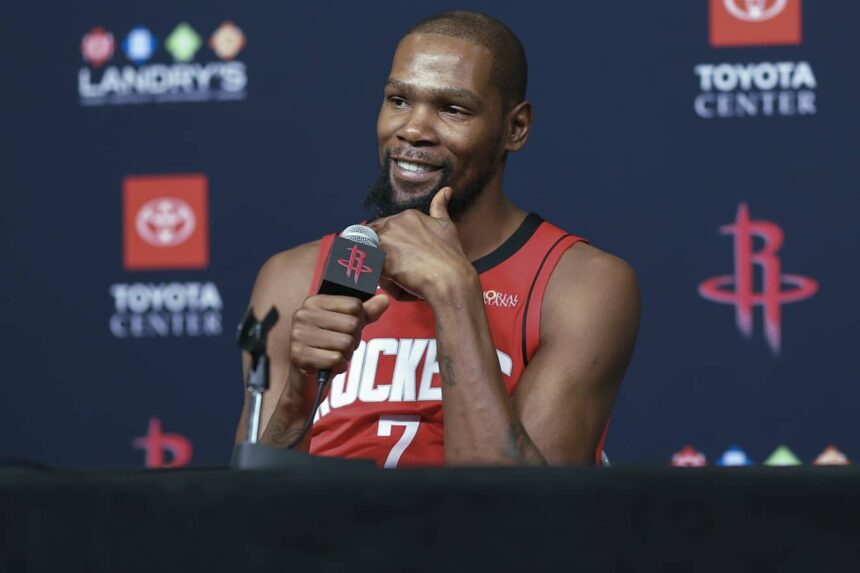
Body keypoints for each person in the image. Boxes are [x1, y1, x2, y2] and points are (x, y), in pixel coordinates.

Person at [234, 11, 640, 466]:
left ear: (515, 128)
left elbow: (527, 516)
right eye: (399, 100)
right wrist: (300, 390)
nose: (413, 130)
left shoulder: (581, 286)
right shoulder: (293, 277)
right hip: (330, 538)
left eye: (452, 109)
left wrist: (452, 290)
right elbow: (253, 509)